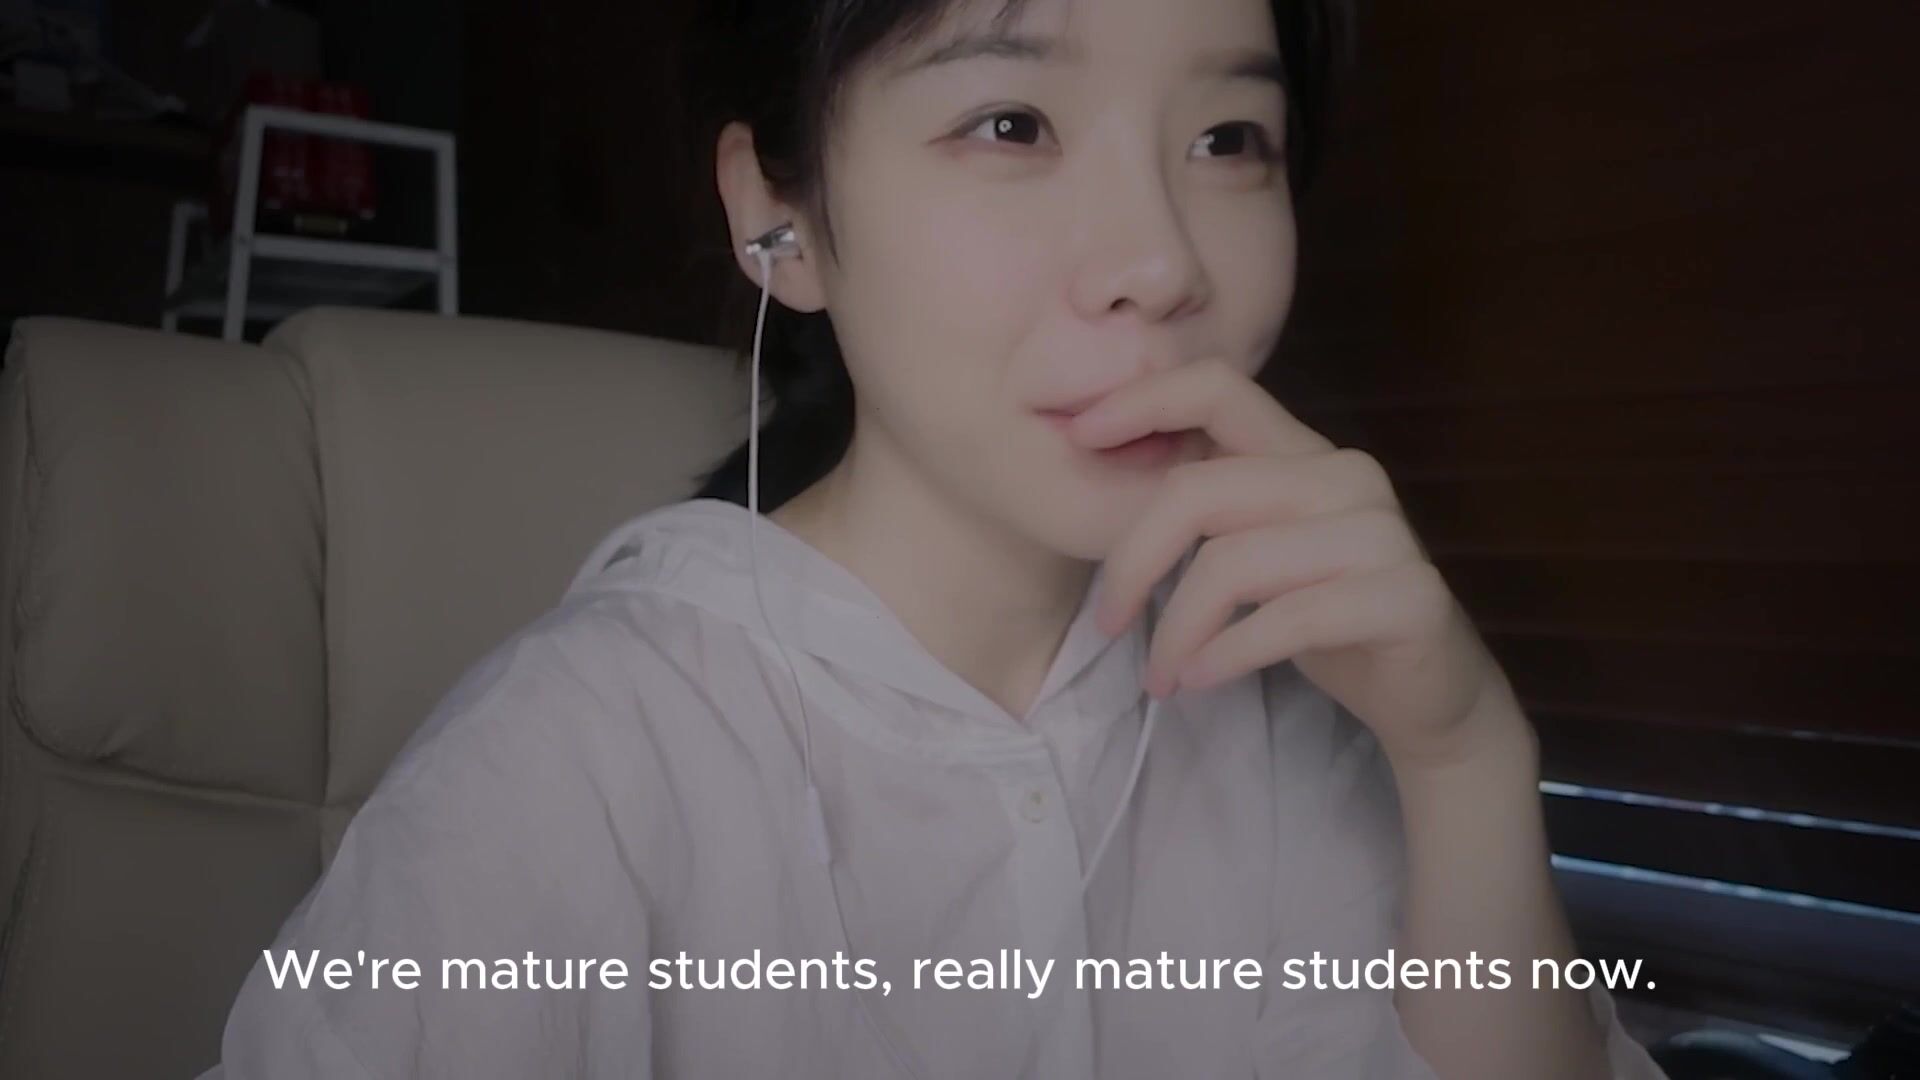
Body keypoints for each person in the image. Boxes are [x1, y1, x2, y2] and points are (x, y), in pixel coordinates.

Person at [204, 0, 1671, 1077]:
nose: (1162, 262)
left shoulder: (1288, 708)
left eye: (1230, 138)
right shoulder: (579, 759)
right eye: (1012, 123)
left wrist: (1465, 761)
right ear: (780, 216)